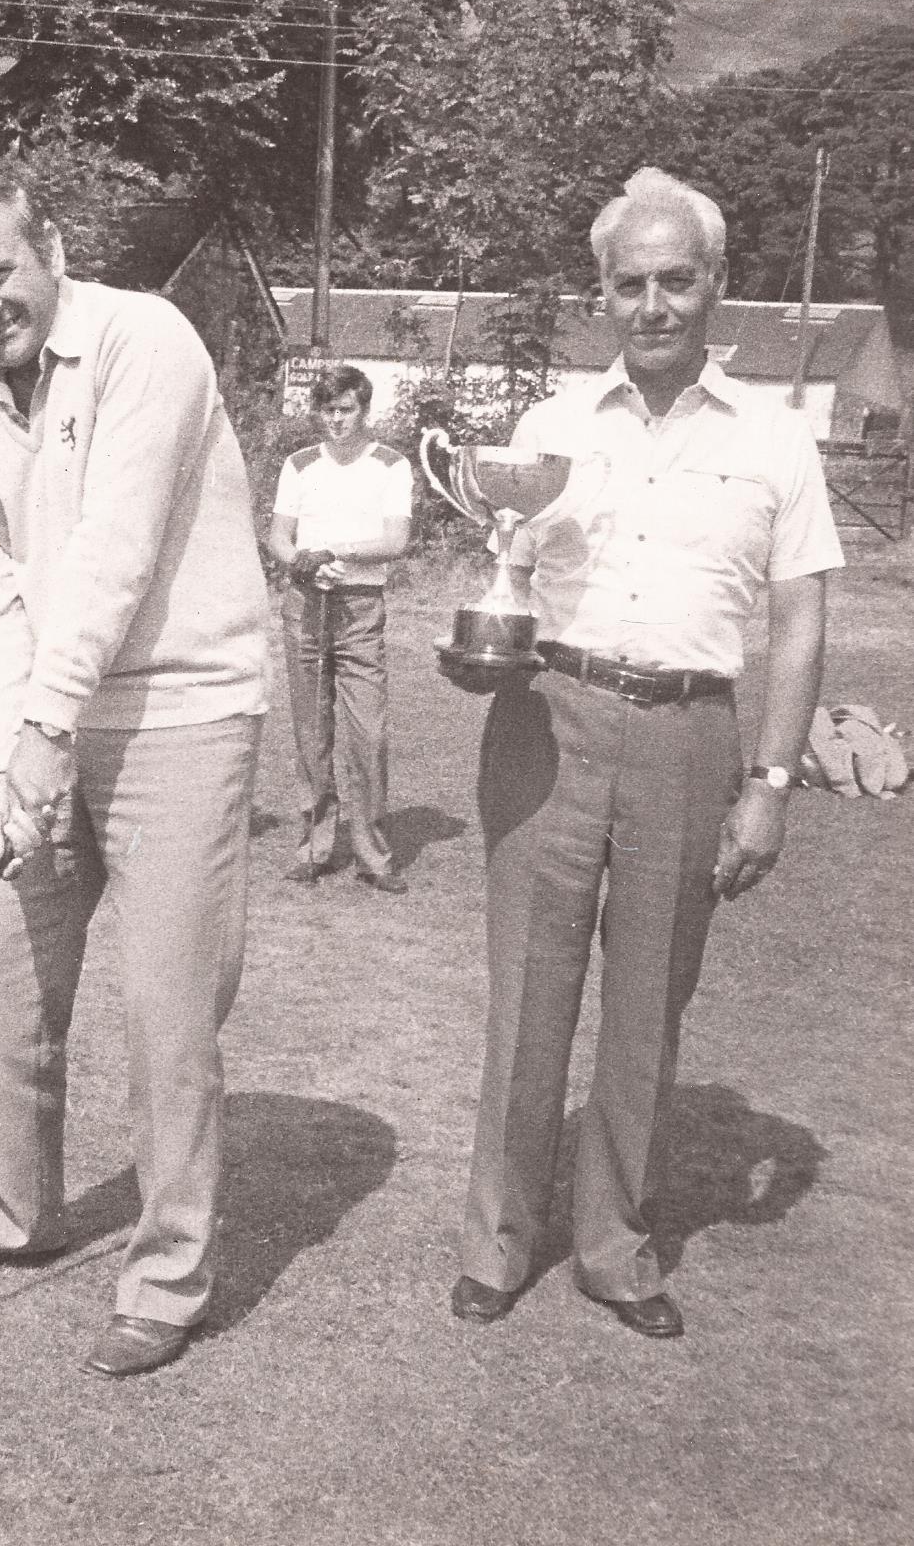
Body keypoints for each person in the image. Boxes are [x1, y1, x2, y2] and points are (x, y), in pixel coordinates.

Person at [446, 167, 843, 1340]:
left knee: (643, 1007)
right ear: (601, 294)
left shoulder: (776, 442)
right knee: (526, 997)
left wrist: (768, 783)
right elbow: (505, 580)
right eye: (630, 283)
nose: (653, 304)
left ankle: (616, 1247)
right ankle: (498, 1237)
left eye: (677, 279)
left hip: (689, 734)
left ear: (717, 285)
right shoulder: (548, 428)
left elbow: (801, 620)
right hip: (547, 722)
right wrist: (482, 648)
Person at [0, 172, 268, 1380]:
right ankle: (14, 1211)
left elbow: (113, 542)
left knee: (165, 1007)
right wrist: (7, 755)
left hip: (179, 709)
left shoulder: (141, 337)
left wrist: (51, 723)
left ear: (49, 247)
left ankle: (167, 1274)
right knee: (1, 967)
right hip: (47, 718)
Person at [268, 365, 413, 888]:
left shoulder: (392, 466)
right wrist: (300, 560)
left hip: (360, 608)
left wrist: (336, 552)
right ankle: (315, 849)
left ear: (364, 410)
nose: (336, 421)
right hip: (306, 602)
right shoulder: (300, 464)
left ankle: (374, 855)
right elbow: (279, 538)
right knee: (312, 730)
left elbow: (395, 541)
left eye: (345, 410)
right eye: (327, 410)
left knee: (367, 732)